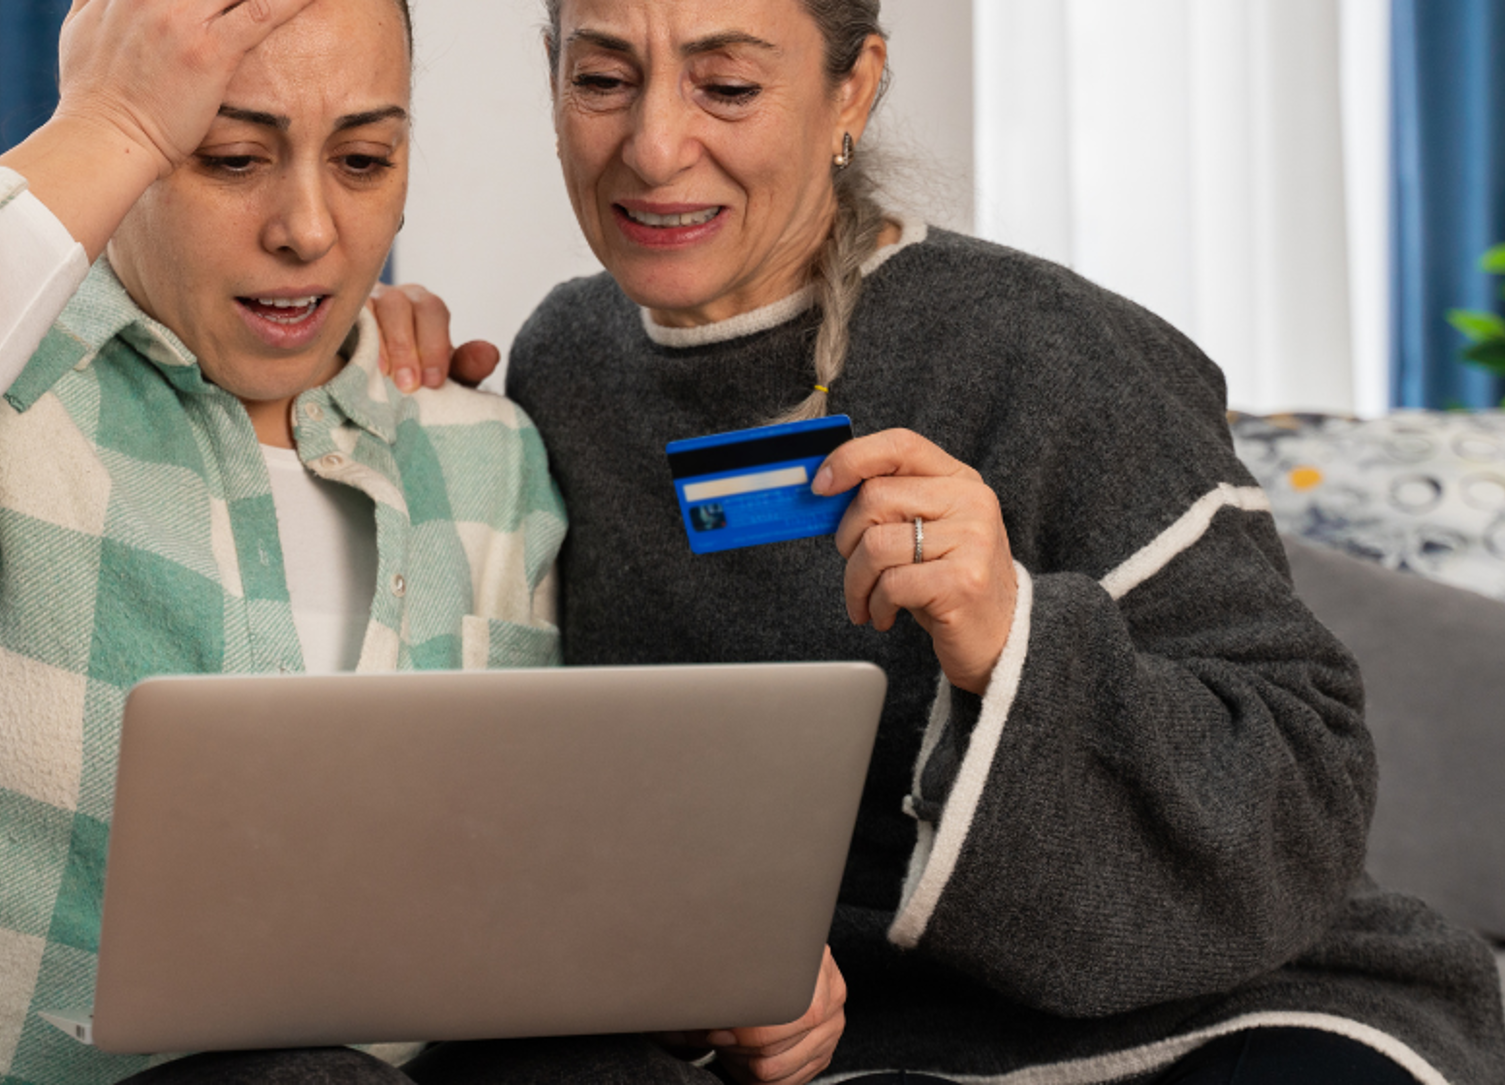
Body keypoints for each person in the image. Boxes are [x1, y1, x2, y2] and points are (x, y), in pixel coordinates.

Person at [367, 0, 1505, 1082]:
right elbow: (561, 782)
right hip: (836, 1032)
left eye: (726, 84)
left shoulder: (1046, 350)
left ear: (851, 85)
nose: (656, 146)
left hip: (1218, 1007)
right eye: (604, 78)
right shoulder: (563, 362)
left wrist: (1009, 631)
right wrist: (364, 373)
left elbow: (1304, 786)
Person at [0, 1, 564, 1082]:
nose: (308, 228)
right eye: (232, 156)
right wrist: (107, 120)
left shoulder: (487, 451)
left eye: (366, 158)